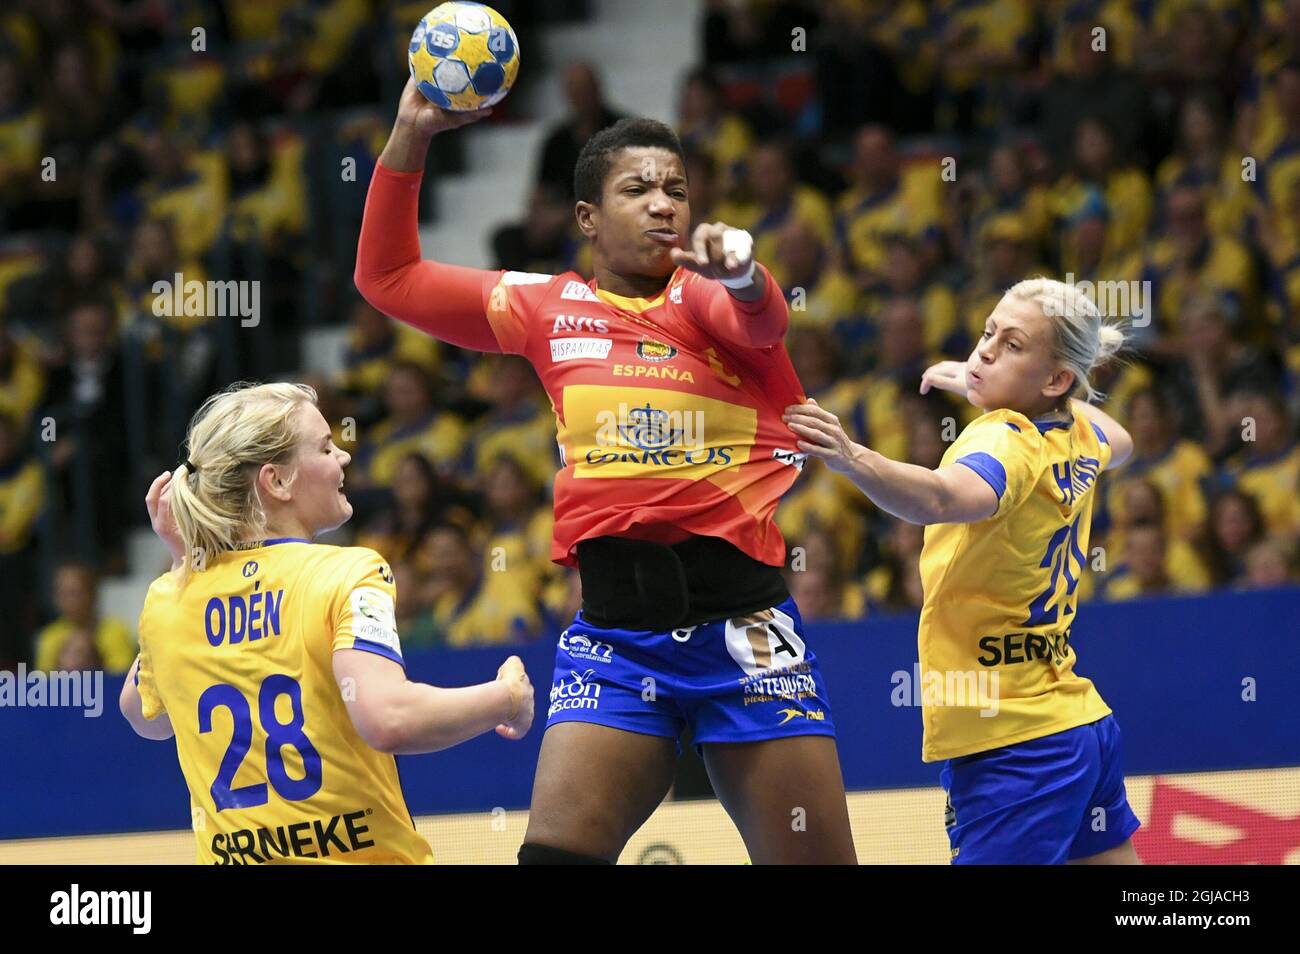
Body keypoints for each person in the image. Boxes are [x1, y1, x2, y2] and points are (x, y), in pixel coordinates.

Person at [354, 79, 856, 864]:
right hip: (618, 640)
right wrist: (410, 135)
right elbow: (387, 279)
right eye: (638, 189)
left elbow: (762, 321)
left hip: (746, 637)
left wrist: (746, 277)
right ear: (587, 217)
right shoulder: (543, 308)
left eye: (676, 190)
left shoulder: (705, 299)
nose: (664, 205)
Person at [785, 277, 1142, 864]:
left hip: (1013, 746)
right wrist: (1006, 383)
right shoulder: (1078, 433)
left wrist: (850, 457)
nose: (986, 351)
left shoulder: (1006, 440)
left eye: (1014, 346)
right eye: (987, 334)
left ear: (1056, 379)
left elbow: (942, 498)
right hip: (1077, 724)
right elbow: (1120, 439)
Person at [118, 382, 533, 864]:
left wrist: (183, 566)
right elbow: (390, 719)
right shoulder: (349, 572)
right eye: (325, 447)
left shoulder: (168, 599)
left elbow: (145, 717)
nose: (344, 458)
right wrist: (508, 698)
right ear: (277, 482)